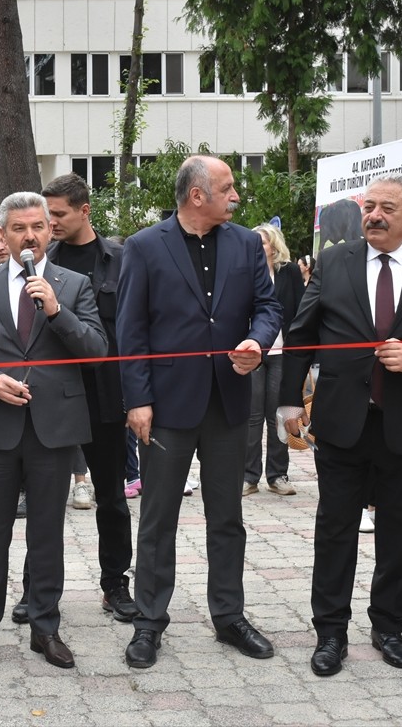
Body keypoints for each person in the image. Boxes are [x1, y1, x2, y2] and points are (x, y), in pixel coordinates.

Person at [280, 174, 402, 677]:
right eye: (369, 206)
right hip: (342, 422)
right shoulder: (333, 262)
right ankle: (330, 632)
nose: (374, 215)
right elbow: (301, 335)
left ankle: (389, 627)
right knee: (335, 530)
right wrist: (287, 403)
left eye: (387, 207)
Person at [116, 156, 282, 670]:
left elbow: (268, 307)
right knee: (158, 517)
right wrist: (137, 400)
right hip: (166, 405)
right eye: (227, 188)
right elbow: (130, 329)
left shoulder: (246, 244)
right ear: (197, 195)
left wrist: (256, 342)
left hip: (228, 401)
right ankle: (149, 621)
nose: (236, 196)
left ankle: (229, 617)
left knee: (227, 518)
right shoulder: (145, 246)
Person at [0, 191, 107, 672]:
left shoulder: (73, 284)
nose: (30, 236)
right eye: (19, 228)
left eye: (38, 226)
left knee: (46, 535)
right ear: (4, 233)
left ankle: (45, 628)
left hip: (53, 430)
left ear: (49, 230)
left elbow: (96, 350)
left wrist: (57, 311)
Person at [41, 173, 137, 620]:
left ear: (85, 211)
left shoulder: (121, 260)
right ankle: (36, 588)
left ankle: (116, 585)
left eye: (59, 214)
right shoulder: (41, 261)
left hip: (105, 395)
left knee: (112, 498)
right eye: (48, 214)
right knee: (45, 498)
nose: (51, 223)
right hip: (53, 394)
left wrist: (139, 396)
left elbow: (137, 329)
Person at [243, 224, 305, 496]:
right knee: (252, 416)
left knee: (278, 415)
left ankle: (278, 475)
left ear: (274, 246)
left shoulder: (289, 272)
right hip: (253, 353)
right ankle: (248, 476)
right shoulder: (243, 273)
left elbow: (302, 309)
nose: (257, 247)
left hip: (283, 353)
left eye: (262, 242)